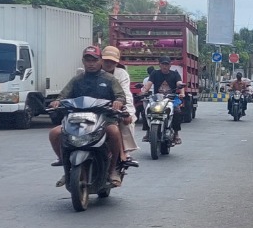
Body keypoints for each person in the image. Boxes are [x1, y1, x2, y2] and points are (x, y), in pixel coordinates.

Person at [47, 46, 129, 185]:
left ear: (100, 61)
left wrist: (118, 102)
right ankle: (65, 164)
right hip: (77, 119)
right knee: (54, 133)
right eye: (88, 60)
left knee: (114, 131)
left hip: (104, 118)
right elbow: (63, 95)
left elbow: (120, 96)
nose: (91, 63)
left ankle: (112, 169)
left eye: (94, 60)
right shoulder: (76, 80)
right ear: (83, 61)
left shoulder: (109, 79)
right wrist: (56, 102)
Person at [100, 46, 139, 158]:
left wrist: (126, 112)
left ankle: (124, 153)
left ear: (116, 62)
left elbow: (126, 94)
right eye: (106, 61)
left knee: (125, 122)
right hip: (95, 108)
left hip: (116, 107)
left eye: (112, 61)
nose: (109, 64)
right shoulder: (92, 73)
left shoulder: (121, 74)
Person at [145, 58, 183, 145]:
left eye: (167, 64)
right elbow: (149, 83)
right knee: (146, 110)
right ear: (160, 65)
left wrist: (182, 93)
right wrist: (144, 91)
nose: (165, 66)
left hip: (171, 99)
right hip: (157, 99)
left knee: (177, 111)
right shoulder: (155, 73)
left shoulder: (175, 74)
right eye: (163, 64)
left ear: (170, 65)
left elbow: (179, 83)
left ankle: (176, 134)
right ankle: (147, 132)